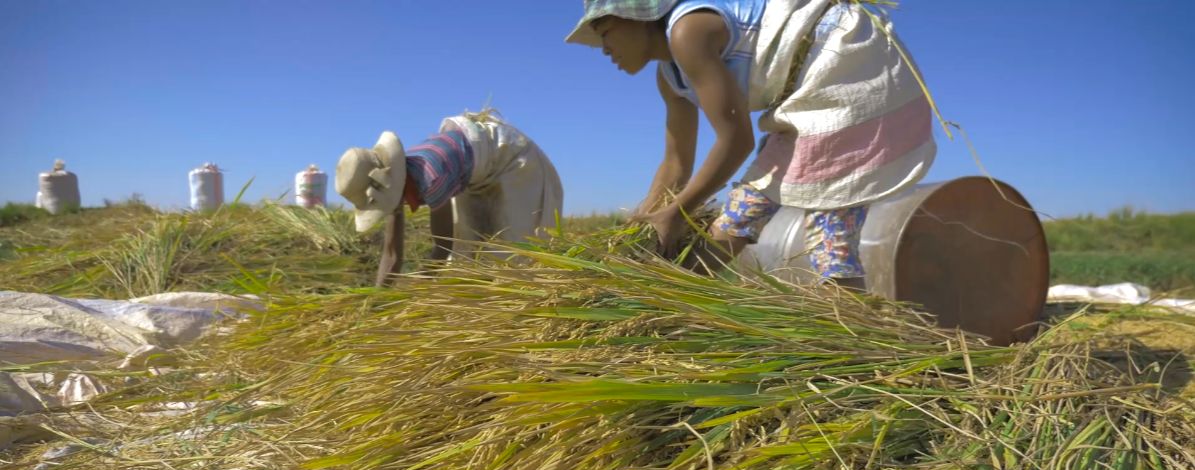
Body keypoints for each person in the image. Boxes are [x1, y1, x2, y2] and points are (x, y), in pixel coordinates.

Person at [566, 0, 936, 288]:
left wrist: (677, 214)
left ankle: (858, 346)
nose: (604, 48)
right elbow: (676, 162)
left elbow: (737, 140)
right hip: (803, 101)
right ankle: (669, 303)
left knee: (829, 238)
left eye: (606, 30)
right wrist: (645, 220)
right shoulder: (671, 78)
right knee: (740, 215)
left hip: (847, 77)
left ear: (639, 18)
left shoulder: (688, 32)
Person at [335, 111, 564, 286]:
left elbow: (442, 246)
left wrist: (422, 286)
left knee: (511, 257)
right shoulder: (396, 177)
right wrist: (377, 299)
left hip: (510, 160)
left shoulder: (430, 179)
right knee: (468, 258)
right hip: (468, 169)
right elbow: (392, 253)